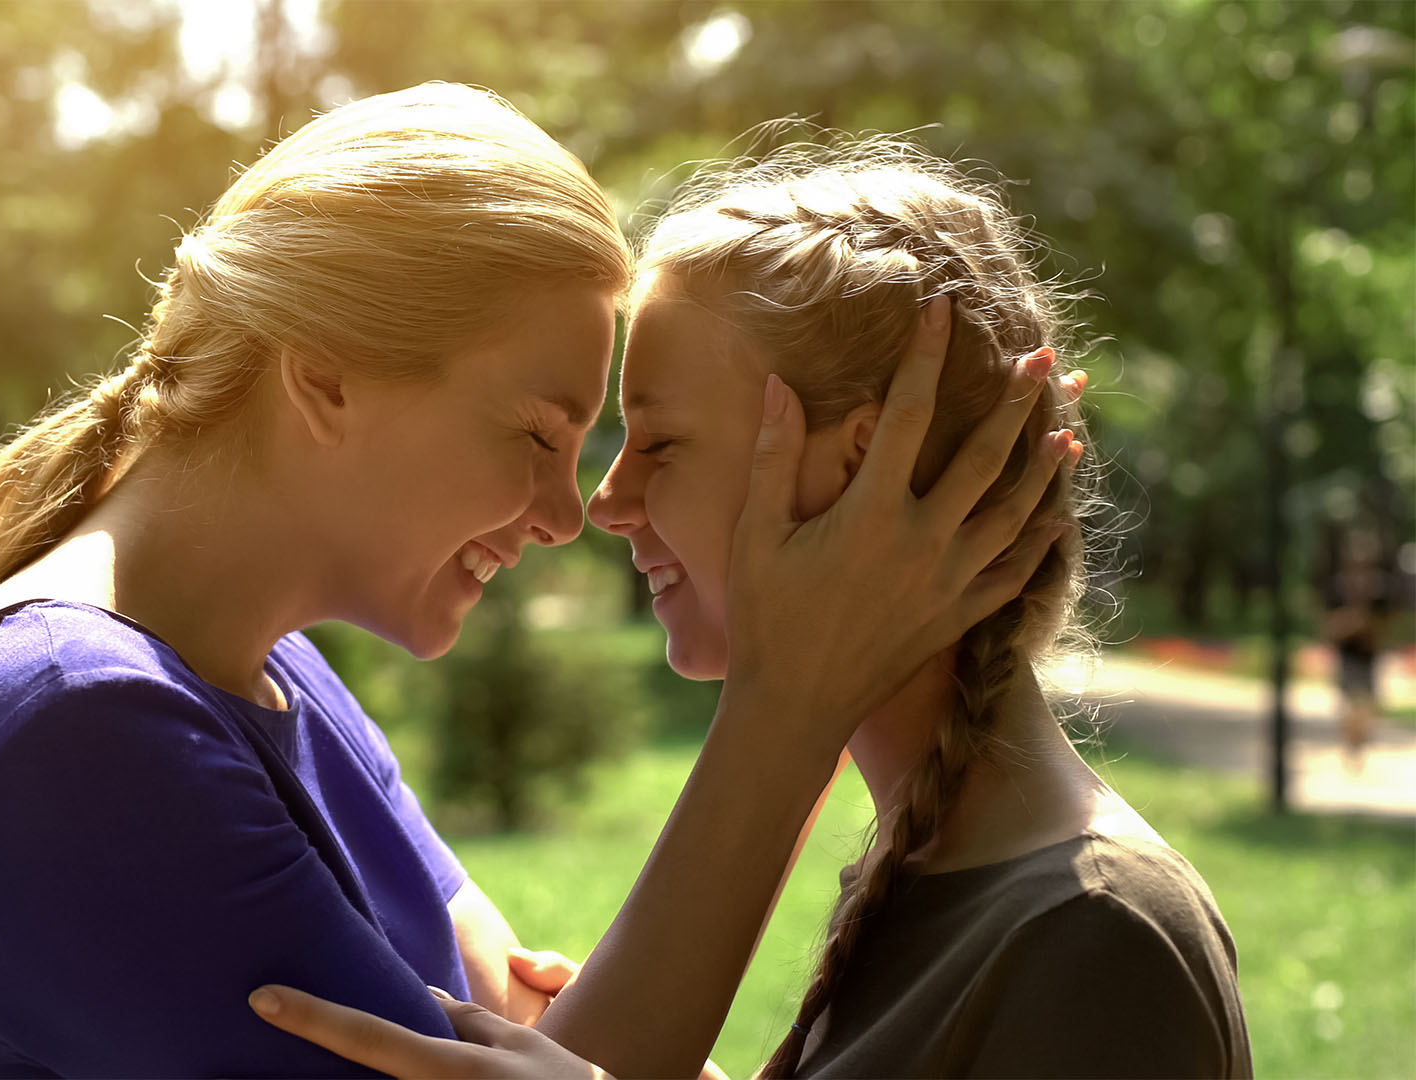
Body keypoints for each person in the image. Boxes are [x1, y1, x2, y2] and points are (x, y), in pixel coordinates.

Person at [0, 85, 1068, 1077]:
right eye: (541, 436)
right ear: (327, 378)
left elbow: (545, 1047)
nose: (566, 515)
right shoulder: (78, 727)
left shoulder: (278, 680)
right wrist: (792, 705)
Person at [248, 139, 1253, 1078]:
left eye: (664, 445)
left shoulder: (1098, 932)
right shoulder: (934, 873)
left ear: (857, 466)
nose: (607, 503)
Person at [1322, 527, 1393, 770]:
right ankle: (1351, 748)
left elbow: (1388, 622)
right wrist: (1351, 624)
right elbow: (1327, 624)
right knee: (1350, 706)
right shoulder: (1338, 586)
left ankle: (1357, 746)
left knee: (1366, 708)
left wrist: (1368, 626)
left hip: (1369, 656)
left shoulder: (1380, 588)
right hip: (1347, 655)